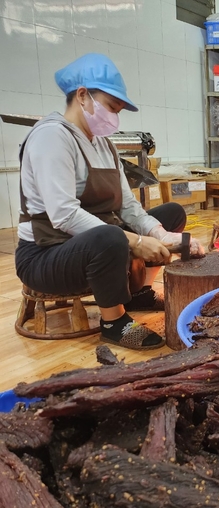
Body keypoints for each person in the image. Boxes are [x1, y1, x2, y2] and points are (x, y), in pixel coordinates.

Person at [14, 53, 204, 351]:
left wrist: (159, 234)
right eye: (111, 107)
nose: (114, 117)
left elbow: (128, 206)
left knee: (171, 212)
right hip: (45, 255)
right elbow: (63, 215)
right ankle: (114, 321)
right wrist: (135, 241)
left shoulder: (103, 145)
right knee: (112, 236)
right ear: (82, 96)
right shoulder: (52, 137)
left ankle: (139, 293)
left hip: (97, 242)